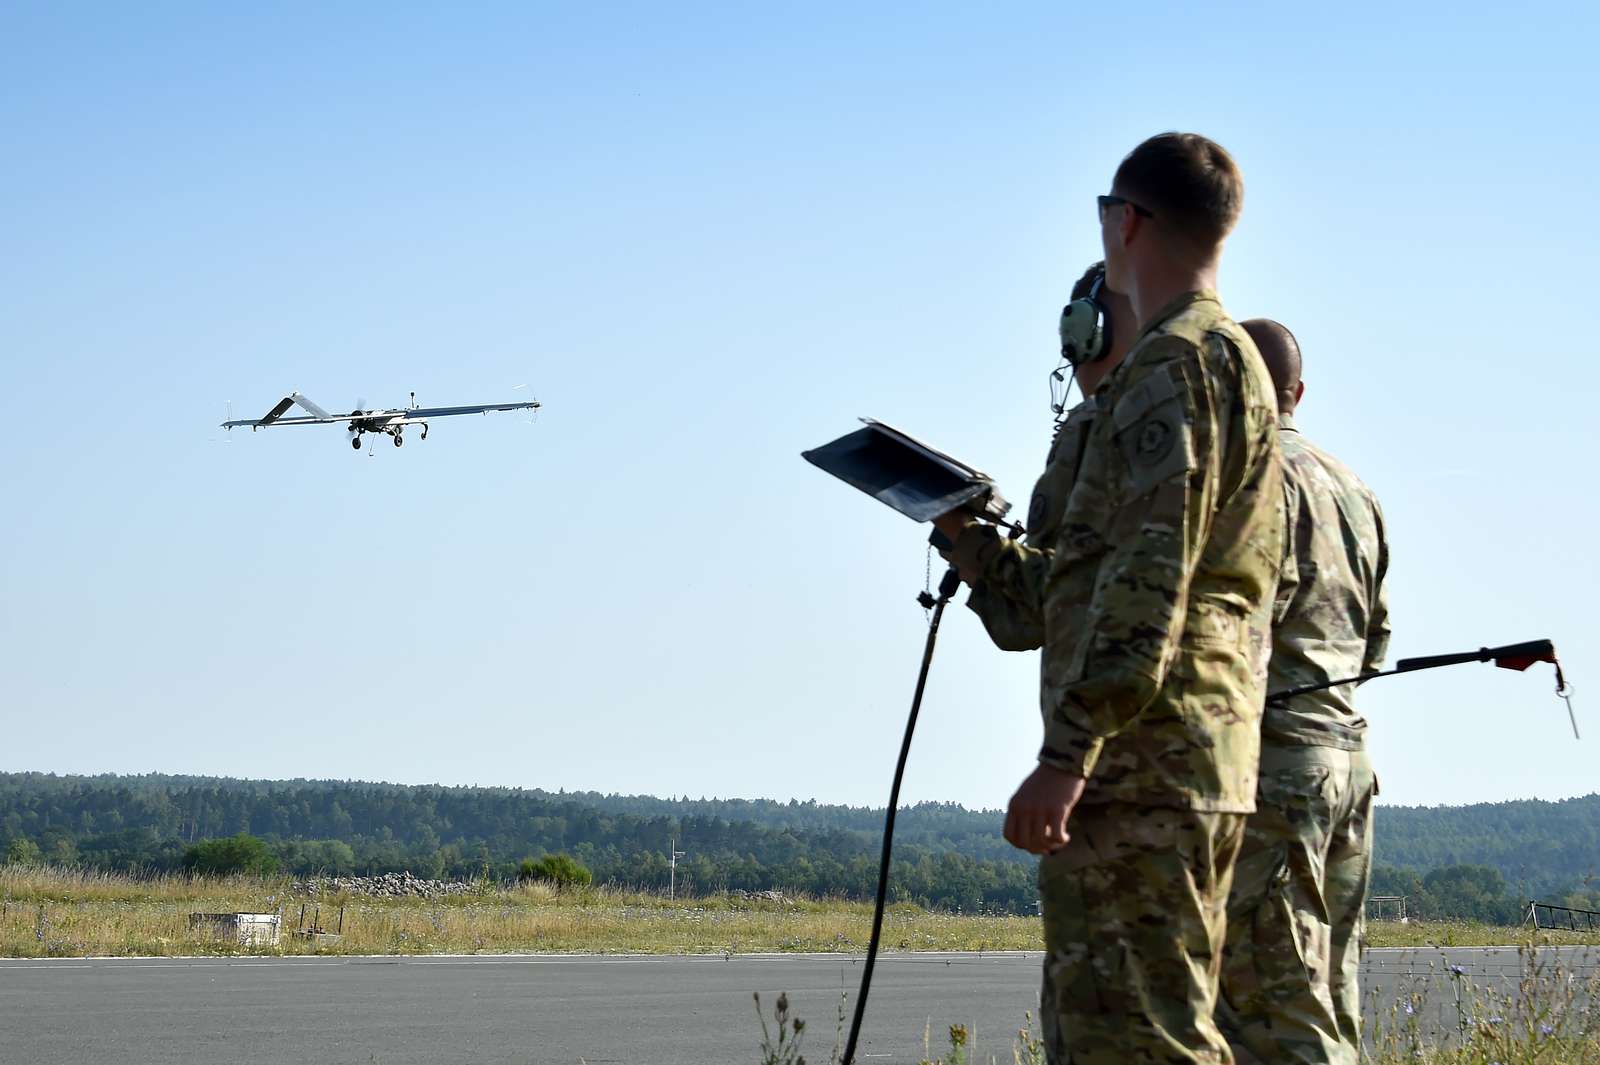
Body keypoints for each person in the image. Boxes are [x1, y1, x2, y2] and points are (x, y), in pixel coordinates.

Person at [935, 132, 1284, 1064]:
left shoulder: (1174, 365)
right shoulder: (1227, 362)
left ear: (1125, 223)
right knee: (1134, 1032)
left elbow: (1148, 576)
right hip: (1184, 755)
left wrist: (1068, 750)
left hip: (1145, 766)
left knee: (1136, 1043)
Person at [1217, 319, 1390, 1065]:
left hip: (1274, 769)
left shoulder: (1246, 481)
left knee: (1273, 998)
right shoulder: (1354, 489)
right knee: (1329, 986)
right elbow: (1376, 639)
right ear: (1299, 390)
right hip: (1347, 760)